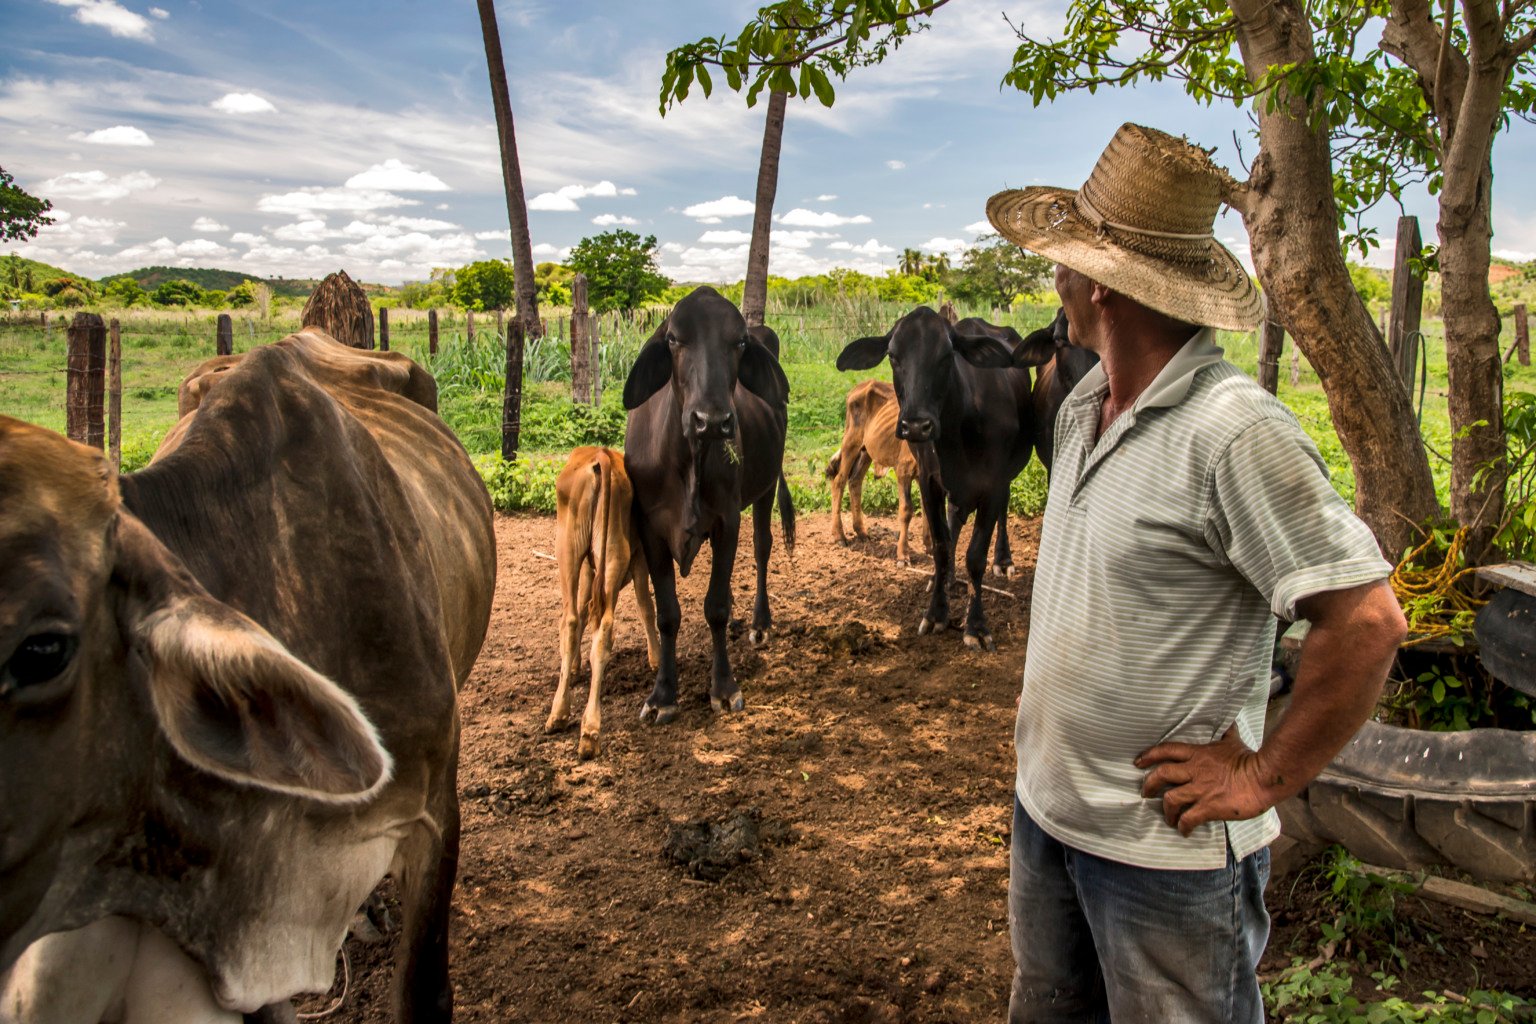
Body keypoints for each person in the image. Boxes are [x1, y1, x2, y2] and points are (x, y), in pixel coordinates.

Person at [985, 123, 1409, 1023]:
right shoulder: (1080, 409)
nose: (1052, 278)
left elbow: (1368, 621)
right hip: (1049, 817)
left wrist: (1259, 778)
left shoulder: (1234, 432)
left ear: (1097, 281)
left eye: (1061, 260)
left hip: (1163, 857)